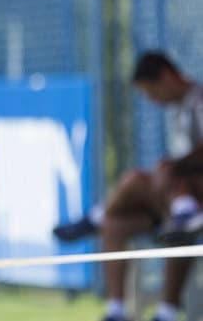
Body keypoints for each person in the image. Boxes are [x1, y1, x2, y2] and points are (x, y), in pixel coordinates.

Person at [52, 51, 203, 321]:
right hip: (173, 200)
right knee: (114, 224)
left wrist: (175, 167)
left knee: (141, 180)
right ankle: (116, 311)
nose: (151, 100)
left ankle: (167, 312)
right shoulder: (176, 110)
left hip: (196, 195)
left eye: (150, 91)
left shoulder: (198, 101)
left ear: (167, 77)